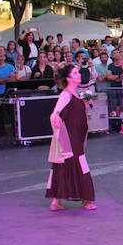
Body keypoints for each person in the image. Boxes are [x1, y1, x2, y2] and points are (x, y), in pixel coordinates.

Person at [45, 65, 96, 211]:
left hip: (74, 137)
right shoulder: (66, 95)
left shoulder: (75, 94)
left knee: (63, 166)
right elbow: (55, 114)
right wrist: (56, 120)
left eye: (78, 72)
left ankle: (56, 201)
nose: (78, 75)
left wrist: (83, 106)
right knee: (79, 165)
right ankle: (86, 200)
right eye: (75, 73)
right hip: (70, 138)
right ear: (68, 78)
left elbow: (72, 112)